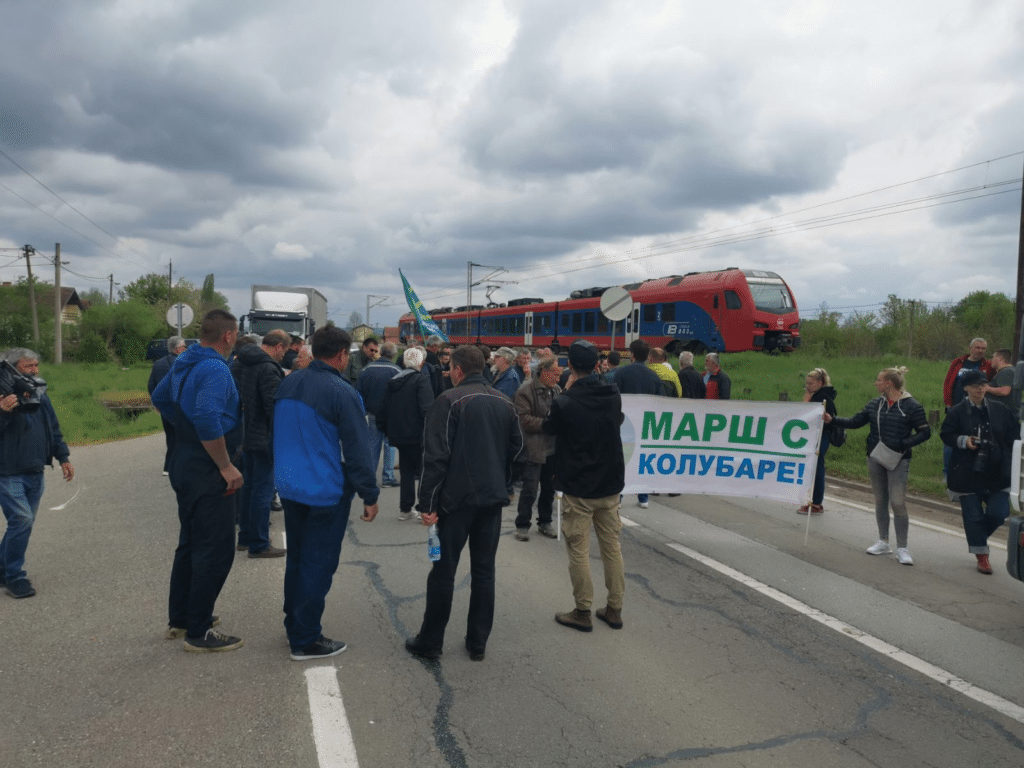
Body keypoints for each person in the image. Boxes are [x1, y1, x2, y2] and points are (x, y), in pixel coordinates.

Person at [405, 346, 523, 662]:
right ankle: (478, 641)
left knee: (443, 571)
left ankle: (430, 641)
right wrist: (505, 485)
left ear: (457, 369)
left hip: (453, 502)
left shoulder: (448, 401)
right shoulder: (505, 403)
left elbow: (435, 458)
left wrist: (427, 503)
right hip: (491, 501)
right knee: (484, 571)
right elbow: (517, 451)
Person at [273, 325, 380, 660]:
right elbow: (358, 450)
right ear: (342, 354)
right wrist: (370, 494)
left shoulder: (289, 381)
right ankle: (304, 639)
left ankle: (295, 622)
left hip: (290, 485)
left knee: (299, 558)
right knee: (318, 564)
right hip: (324, 489)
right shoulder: (341, 392)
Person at [151, 310, 245, 651]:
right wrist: (224, 465)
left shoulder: (185, 359)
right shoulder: (216, 368)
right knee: (216, 549)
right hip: (208, 470)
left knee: (190, 543)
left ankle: (181, 619)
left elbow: (160, 398)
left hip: (183, 461)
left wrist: (186, 431)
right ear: (229, 336)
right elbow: (207, 415)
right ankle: (199, 631)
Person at [543, 340, 626, 632]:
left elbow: (549, 428)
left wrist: (565, 393)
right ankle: (614, 608)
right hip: (610, 483)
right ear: (596, 365)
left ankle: (582, 610)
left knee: (578, 550)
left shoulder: (565, 401)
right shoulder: (613, 393)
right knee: (611, 547)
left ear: (569, 367)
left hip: (579, 486)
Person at [825, 367, 931, 565]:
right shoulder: (875, 403)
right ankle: (883, 541)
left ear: (889, 383)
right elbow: (857, 421)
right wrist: (833, 420)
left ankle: (902, 548)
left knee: (898, 502)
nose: (876, 383)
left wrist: (904, 444)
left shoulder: (912, 406)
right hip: (875, 456)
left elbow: (925, 432)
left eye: (879, 380)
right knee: (880, 499)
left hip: (899, 459)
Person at [0, 348, 74, 599]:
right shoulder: (2, 393)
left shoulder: (38, 390)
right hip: (7, 471)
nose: (35, 370)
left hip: (35, 470)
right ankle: (15, 577)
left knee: (21, 525)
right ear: (13, 367)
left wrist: (63, 457)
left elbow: (52, 425)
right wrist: (3, 413)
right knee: (22, 520)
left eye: (36, 366)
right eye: (28, 366)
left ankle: (2, 568)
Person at [940, 370, 1016, 574]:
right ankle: (982, 556)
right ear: (966, 388)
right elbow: (946, 435)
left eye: (983, 384)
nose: (980, 388)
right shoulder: (956, 411)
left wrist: (1009, 458)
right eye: (975, 385)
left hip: (997, 472)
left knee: (999, 514)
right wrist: (965, 441)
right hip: (967, 472)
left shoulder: (1000, 409)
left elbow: (1014, 437)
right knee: (973, 516)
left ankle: (977, 537)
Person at [232, 329, 290, 558]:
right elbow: (273, 407)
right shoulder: (267, 368)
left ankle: (245, 537)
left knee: (248, 488)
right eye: (284, 350)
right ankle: (259, 544)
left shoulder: (239, 363)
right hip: (263, 436)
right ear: (278, 346)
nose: (284, 355)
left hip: (244, 434)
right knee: (263, 492)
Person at [382, 347, 434, 520]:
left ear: (404, 362)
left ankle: (405, 509)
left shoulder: (393, 381)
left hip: (399, 434)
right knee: (424, 472)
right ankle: (423, 508)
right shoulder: (422, 380)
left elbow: (385, 408)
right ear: (421, 362)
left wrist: (387, 430)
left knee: (406, 473)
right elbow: (426, 408)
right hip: (418, 434)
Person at [513, 356, 561, 541]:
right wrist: (549, 424)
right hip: (533, 447)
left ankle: (545, 521)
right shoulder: (526, 391)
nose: (558, 378)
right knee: (530, 489)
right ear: (545, 373)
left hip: (553, 447)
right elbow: (523, 420)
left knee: (549, 488)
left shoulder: (556, 390)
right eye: (555, 374)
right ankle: (522, 524)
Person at [612, 339, 660, 509]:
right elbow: (659, 403)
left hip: (624, 423)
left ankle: (620, 495)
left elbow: (614, 397)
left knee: (623, 460)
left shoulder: (622, 373)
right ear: (647, 356)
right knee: (642, 460)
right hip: (646, 424)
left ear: (631, 355)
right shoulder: (654, 377)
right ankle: (643, 497)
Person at [356, 341, 401, 489]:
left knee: (373, 445)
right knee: (390, 446)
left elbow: (359, 393)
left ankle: (369, 478)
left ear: (380, 352)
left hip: (373, 413)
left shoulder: (366, 370)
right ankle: (388, 478)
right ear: (393, 355)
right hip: (391, 415)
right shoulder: (397, 371)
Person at [798, 368, 837, 516]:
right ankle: (810, 500)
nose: (808, 386)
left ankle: (816, 503)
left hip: (821, 436)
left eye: (811, 383)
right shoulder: (817, 395)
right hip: (814, 436)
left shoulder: (823, 397)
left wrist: (806, 403)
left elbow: (812, 417)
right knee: (811, 469)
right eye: (806, 383)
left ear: (820, 383)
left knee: (817, 469)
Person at [148, 336, 186, 475]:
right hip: (181, 407)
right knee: (183, 437)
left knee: (170, 436)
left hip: (164, 407)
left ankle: (169, 467)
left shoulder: (158, 364)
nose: (186, 349)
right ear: (178, 349)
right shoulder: (184, 363)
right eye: (184, 347)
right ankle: (177, 466)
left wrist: (157, 403)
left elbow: (151, 385)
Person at [943, 338, 993, 410]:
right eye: (977, 348)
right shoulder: (958, 362)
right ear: (970, 348)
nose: (980, 351)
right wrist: (947, 402)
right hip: (955, 403)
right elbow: (948, 382)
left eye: (983, 348)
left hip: (976, 406)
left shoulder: (988, 366)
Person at [985, 348, 1016, 415]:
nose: (991, 360)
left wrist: (987, 388)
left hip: (1004, 414)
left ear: (1000, 358)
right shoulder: (1009, 370)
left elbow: (1005, 391)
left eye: (993, 357)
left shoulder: (1006, 371)